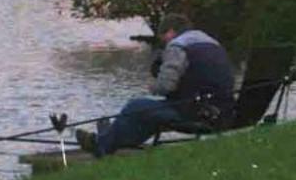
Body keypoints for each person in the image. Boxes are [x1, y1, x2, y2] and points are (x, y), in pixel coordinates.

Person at [79, 14, 236, 155]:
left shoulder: (178, 46)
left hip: (196, 113)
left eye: (163, 37)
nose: (164, 41)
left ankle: (102, 144)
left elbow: (165, 87)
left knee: (136, 106)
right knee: (150, 112)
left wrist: (152, 86)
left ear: (171, 31)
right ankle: (111, 139)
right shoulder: (212, 43)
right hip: (222, 111)